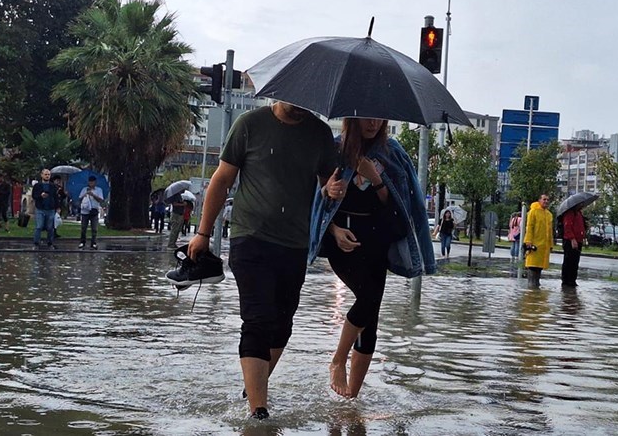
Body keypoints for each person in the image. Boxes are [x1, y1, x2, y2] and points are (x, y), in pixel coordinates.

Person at [186, 101, 338, 419]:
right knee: (258, 319)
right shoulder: (249, 124)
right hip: (250, 237)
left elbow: (328, 187)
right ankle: (258, 411)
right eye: (293, 102)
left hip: (295, 243)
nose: (300, 108)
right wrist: (202, 233)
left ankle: (253, 386)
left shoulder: (320, 134)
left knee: (282, 325)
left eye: (305, 103)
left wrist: (334, 191)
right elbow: (221, 179)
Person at [309, 118, 436, 399]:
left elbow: (396, 207)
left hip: (377, 242)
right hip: (342, 241)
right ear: (352, 118)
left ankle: (351, 400)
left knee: (371, 318)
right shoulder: (334, 150)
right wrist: (332, 219)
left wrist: (376, 179)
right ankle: (338, 360)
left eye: (379, 119)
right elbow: (315, 200)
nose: (372, 123)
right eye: (366, 117)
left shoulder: (392, 152)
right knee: (366, 299)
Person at [523, 194, 553, 287]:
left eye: (548, 200)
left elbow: (550, 231)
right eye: (544, 199)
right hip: (534, 245)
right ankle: (531, 292)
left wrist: (550, 245)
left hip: (543, 247)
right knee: (532, 267)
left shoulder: (549, 214)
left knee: (539, 268)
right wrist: (528, 241)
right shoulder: (533, 212)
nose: (546, 201)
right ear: (539, 200)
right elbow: (529, 227)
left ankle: (536, 290)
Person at [31, 169, 61, 249]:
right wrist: (41, 195)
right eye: (45, 174)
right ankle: (36, 243)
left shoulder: (53, 186)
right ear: (42, 175)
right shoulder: (37, 186)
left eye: (48, 174)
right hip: (40, 208)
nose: (47, 176)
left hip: (50, 209)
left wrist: (57, 207)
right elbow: (34, 196)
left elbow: (55, 197)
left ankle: (50, 243)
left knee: (50, 227)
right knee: (39, 226)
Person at [560, 204, 586, 288]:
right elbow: (567, 226)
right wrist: (572, 239)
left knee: (575, 261)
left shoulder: (579, 213)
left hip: (578, 240)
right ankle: (566, 280)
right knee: (569, 260)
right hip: (570, 241)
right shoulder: (570, 213)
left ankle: (572, 280)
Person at [78, 175, 104, 249]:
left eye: (92, 182)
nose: (91, 183)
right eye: (90, 182)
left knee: (94, 228)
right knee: (83, 227)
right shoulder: (84, 189)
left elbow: (100, 200)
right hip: (85, 210)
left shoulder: (99, 190)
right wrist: (85, 194)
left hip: (94, 210)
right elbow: (80, 198)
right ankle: (82, 242)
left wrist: (93, 195)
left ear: (95, 182)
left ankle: (93, 243)